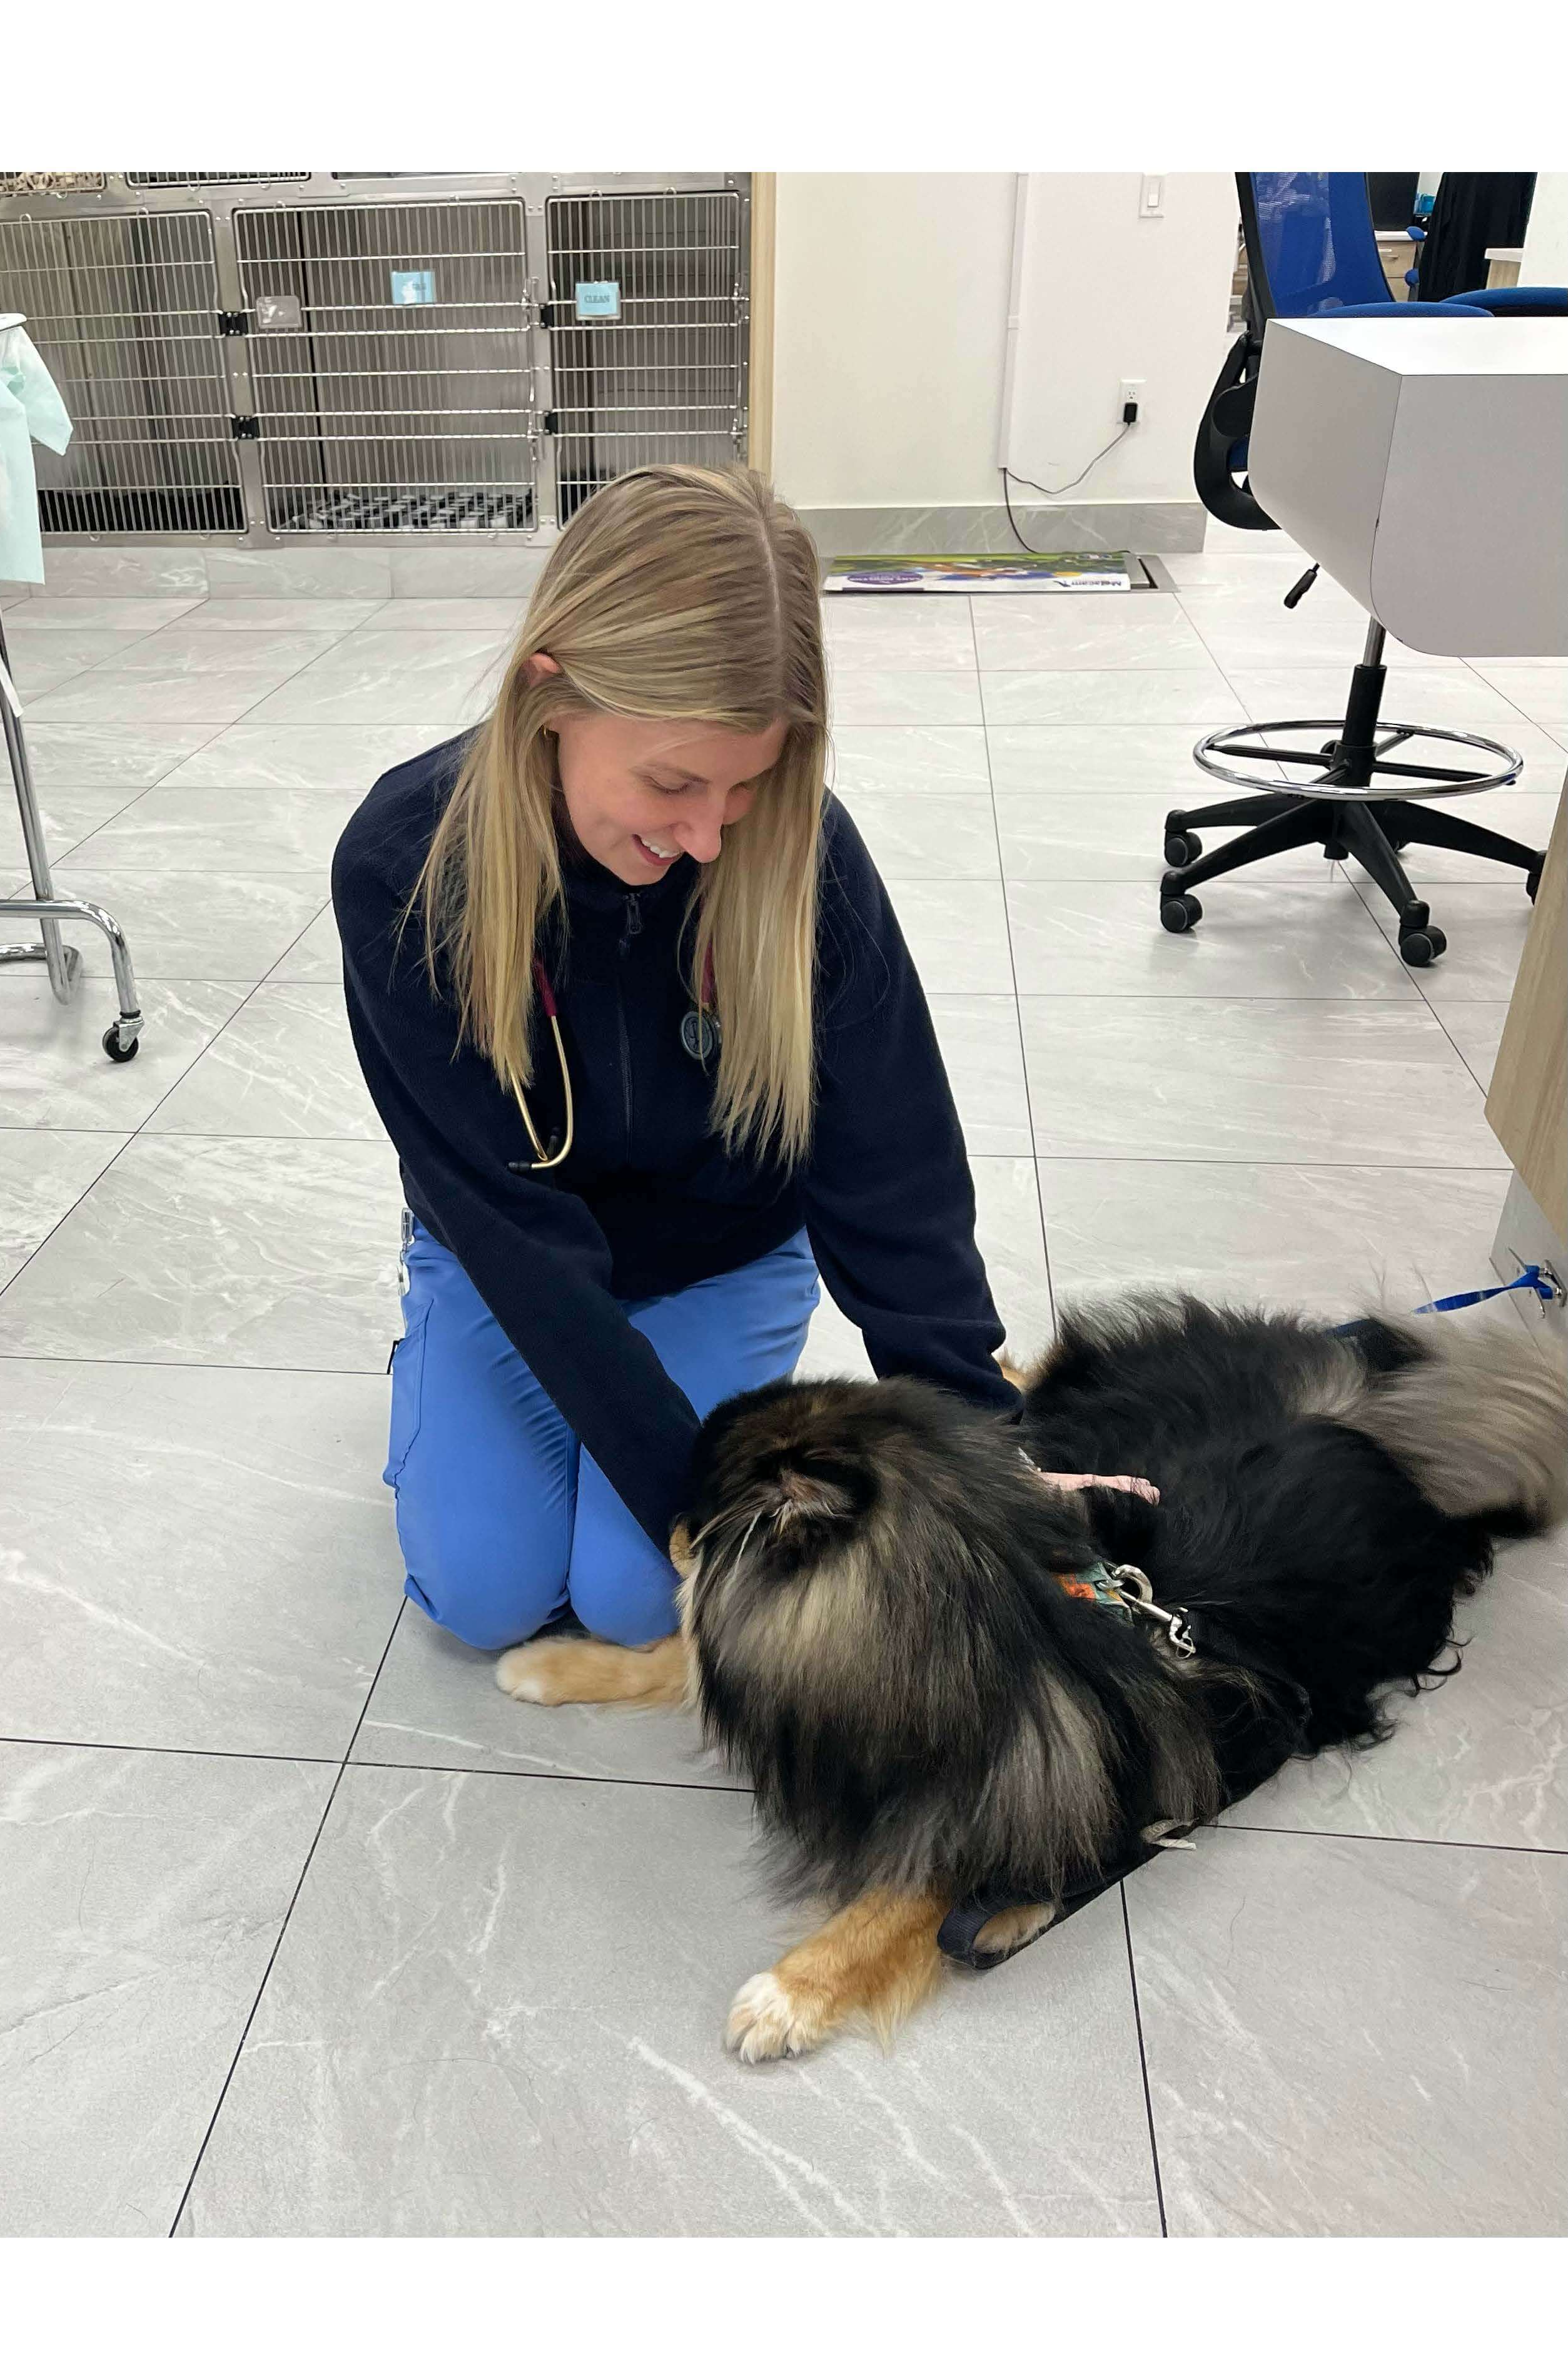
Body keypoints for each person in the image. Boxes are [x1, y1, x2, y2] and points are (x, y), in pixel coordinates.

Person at [333, 463, 1133, 1657]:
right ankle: (436, 1361)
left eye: (746, 786)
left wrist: (975, 1446)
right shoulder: (406, 869)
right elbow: (501, 1215)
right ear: (549, 693)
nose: (708, 833)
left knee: (633, 1597)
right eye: (671, 781)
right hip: (509, 1260)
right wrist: (688, 1491)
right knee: (484, 1598)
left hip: (722, 1256)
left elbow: (889, 1153)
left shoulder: (804, 858)